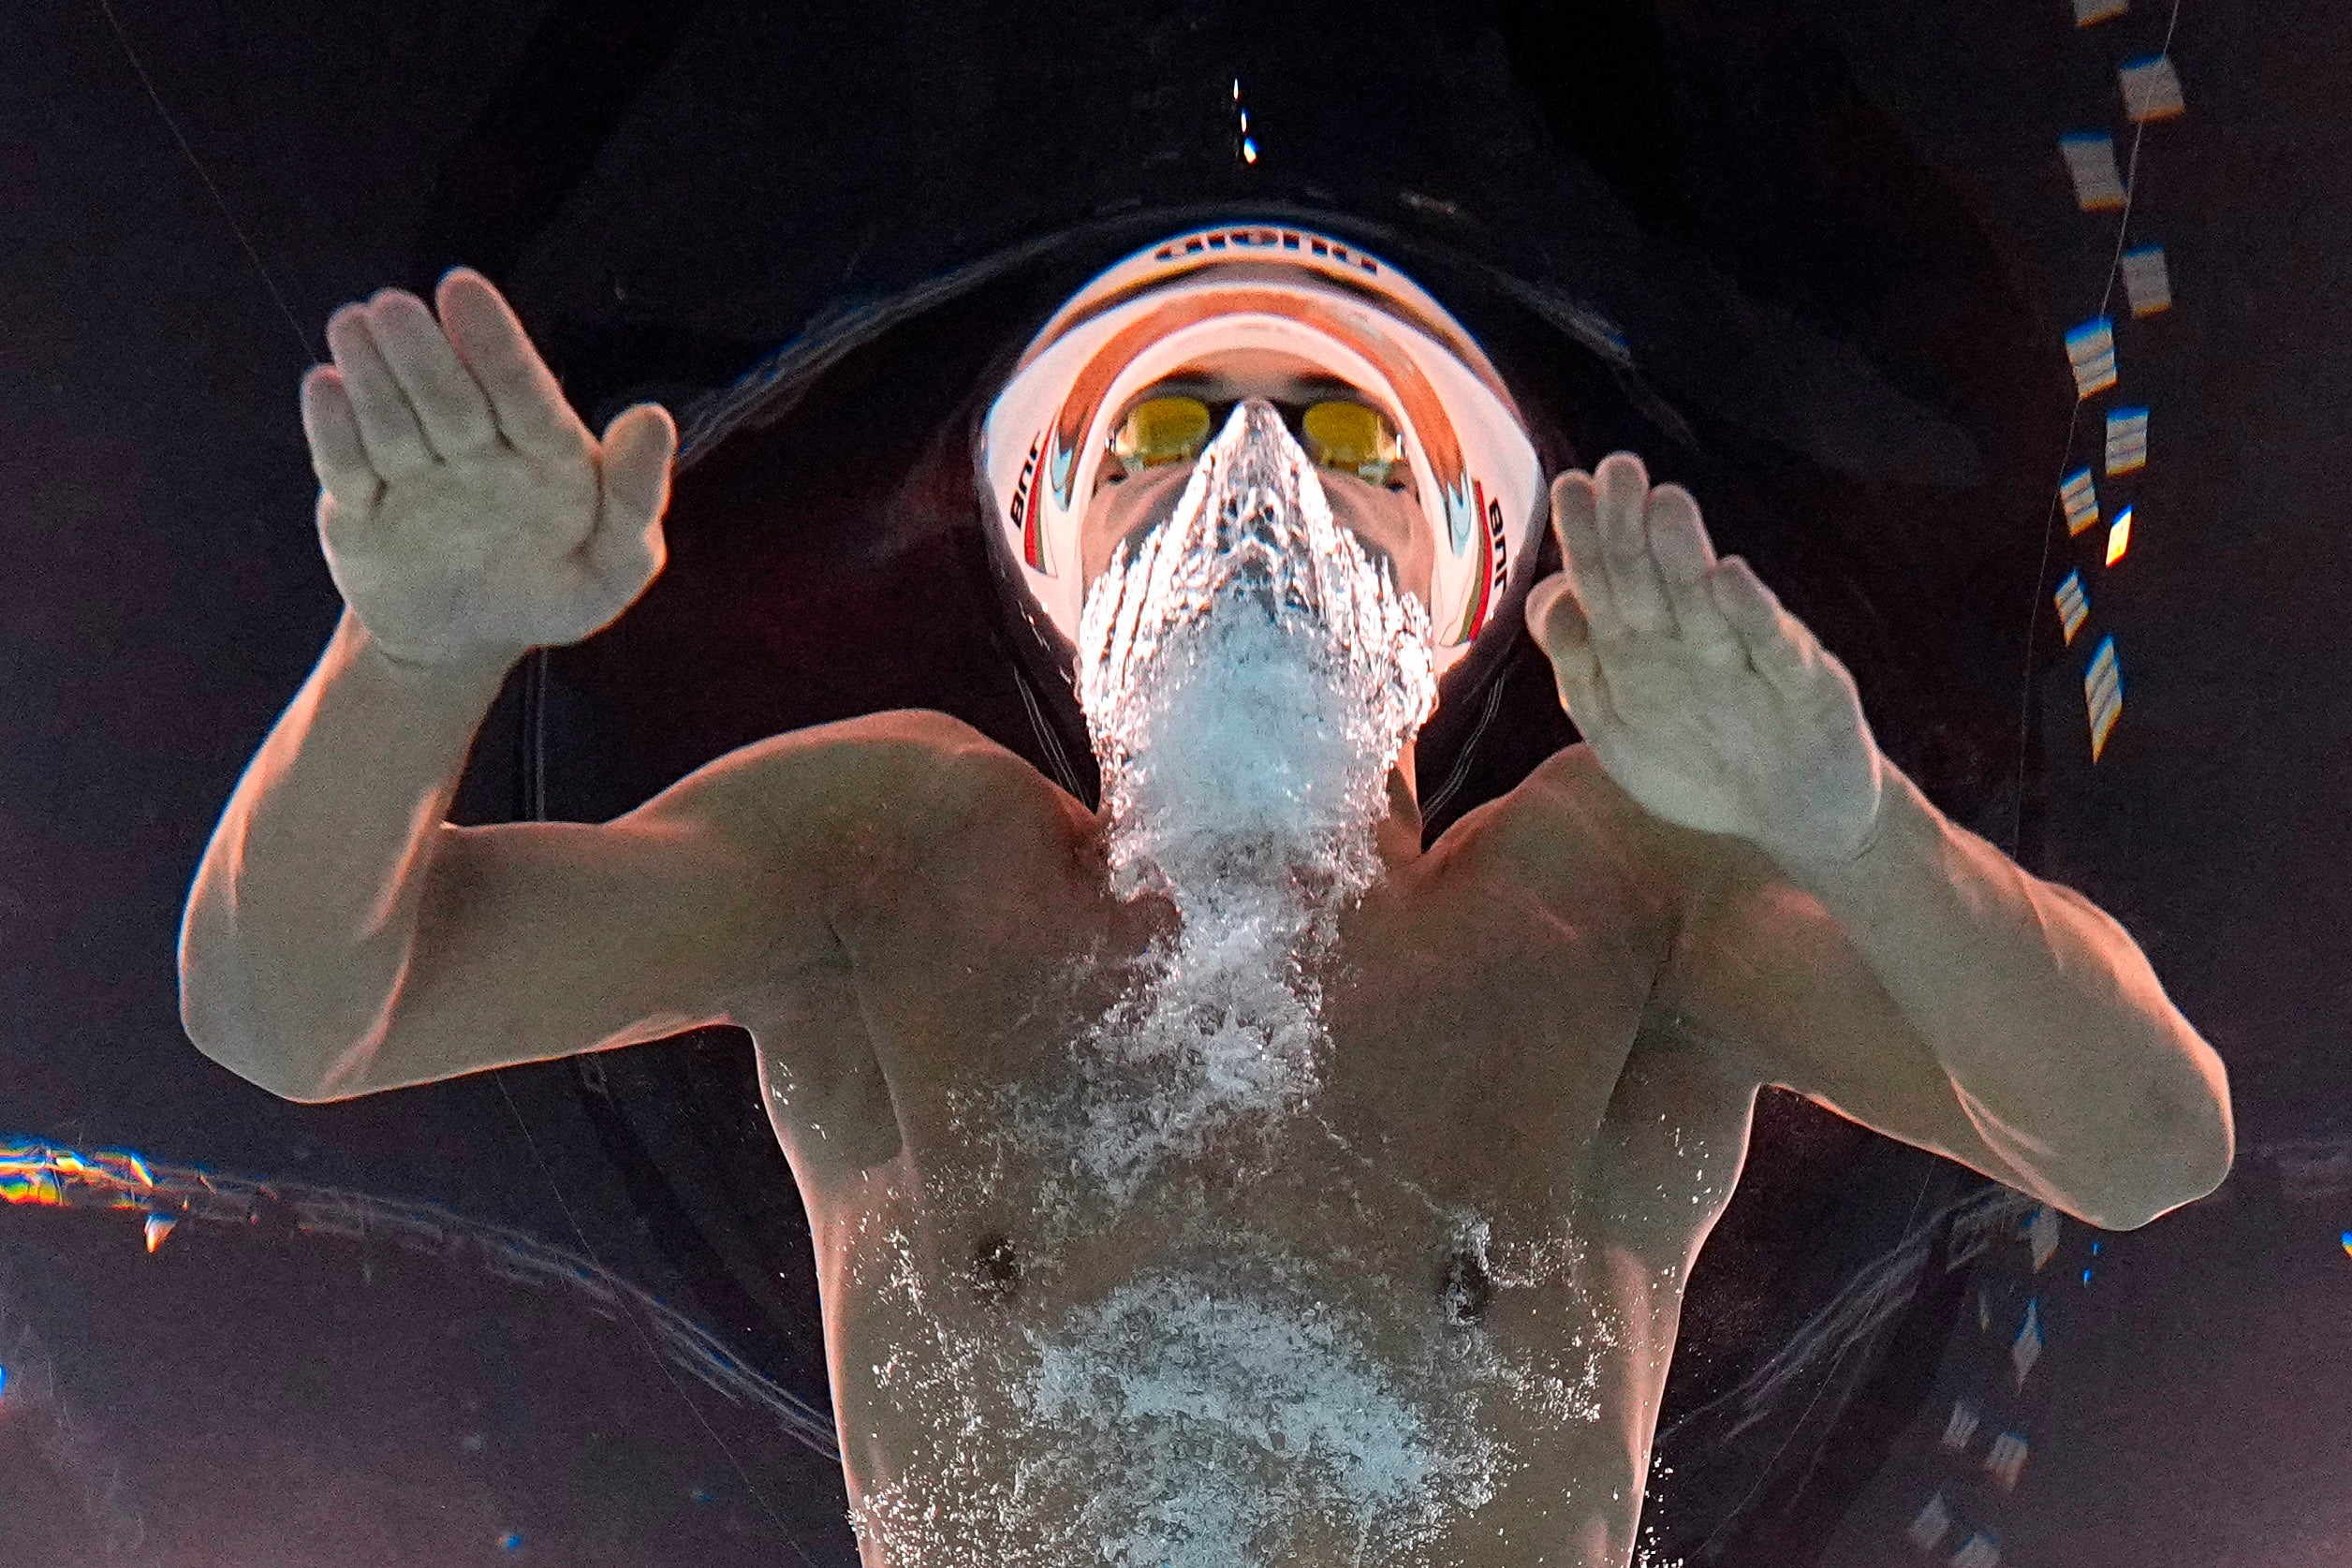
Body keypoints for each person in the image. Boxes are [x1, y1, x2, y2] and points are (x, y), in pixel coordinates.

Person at [178, 226, 2233, 1568]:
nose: (1251, 468)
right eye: (1168, 424)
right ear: (1068, 555)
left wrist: (1838, 809)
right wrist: (417, 651)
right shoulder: (892, 853)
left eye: (1336, 427)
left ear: (1447, 571)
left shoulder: (1615, 889)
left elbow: (2142, 1142)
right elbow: (294, 1015)